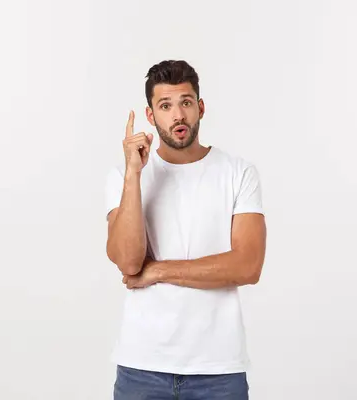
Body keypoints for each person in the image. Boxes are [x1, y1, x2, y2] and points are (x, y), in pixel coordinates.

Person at [105, 60, 267, 399]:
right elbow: (129, 263)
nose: (178, 115)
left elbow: (248, 266)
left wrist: (159, 270)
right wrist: (134, 174)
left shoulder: (238, 173)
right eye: (165, 106)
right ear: (150, 116)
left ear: (200, 107)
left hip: (218, 371)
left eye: (186, 102)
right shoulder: (125, 177)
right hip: (142, 367)